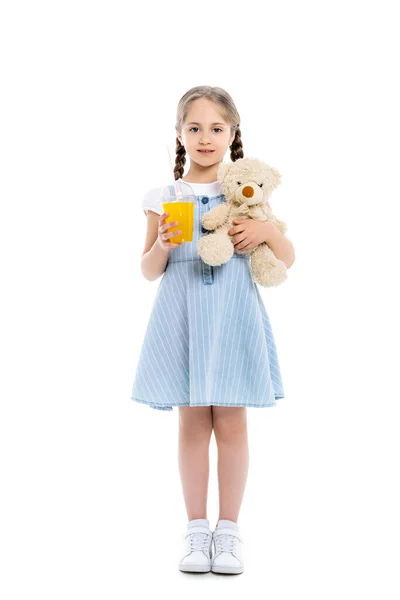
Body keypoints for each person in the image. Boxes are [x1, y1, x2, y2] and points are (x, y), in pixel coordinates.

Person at [130, 86, 295, 574]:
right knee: (192, 424)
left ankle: (229, 532)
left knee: (232, 423)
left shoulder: (245, 189)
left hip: (232, 315)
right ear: (179, 134)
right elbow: (147, 270)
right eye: (195, 128)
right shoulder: (164, 197)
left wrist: (268, 234)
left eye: (216, 128)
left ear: (232, 134)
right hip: (181, 316)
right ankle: (195, 529)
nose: (205, 138)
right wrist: (161, 243)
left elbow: (286, 259)